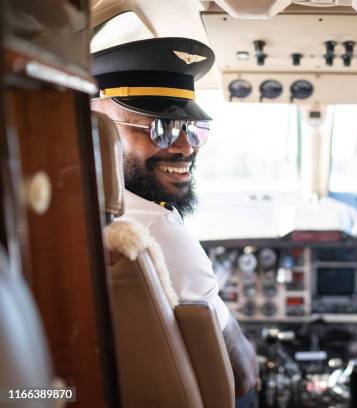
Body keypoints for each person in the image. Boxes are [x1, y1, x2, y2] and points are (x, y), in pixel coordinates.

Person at [90, 38, 258, 400]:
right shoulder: (151, 231)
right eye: (160, 128)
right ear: (98, 132)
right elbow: (242, 375)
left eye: (192, 128)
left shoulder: (77, 215)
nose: (185, 147)